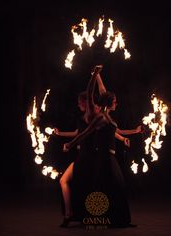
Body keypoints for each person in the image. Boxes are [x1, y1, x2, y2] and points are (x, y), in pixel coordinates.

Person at [56, 68, 132, 227]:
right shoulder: (100, 117)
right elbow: (83, 133)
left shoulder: (106, 114)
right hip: (103, 157)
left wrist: (98, 76)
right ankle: (115, 219)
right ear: (110, 103)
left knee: (112, 186)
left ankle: (116, 219)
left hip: (106, 156)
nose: (117, 103)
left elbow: (103, 92)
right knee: (111, 186)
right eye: (115, 100)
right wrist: (70, 144)